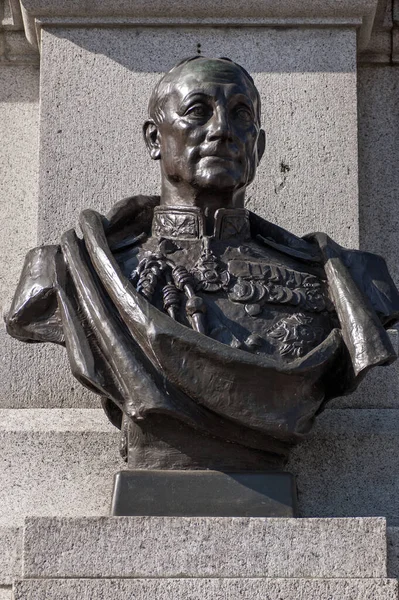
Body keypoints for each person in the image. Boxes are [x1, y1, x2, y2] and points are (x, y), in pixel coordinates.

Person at [6, 57, 399, 470]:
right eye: (197, 111)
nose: (222, 130)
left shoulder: (344, 278)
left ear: (258, 147)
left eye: (241, 115)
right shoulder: (69, 269)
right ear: (154, 139)